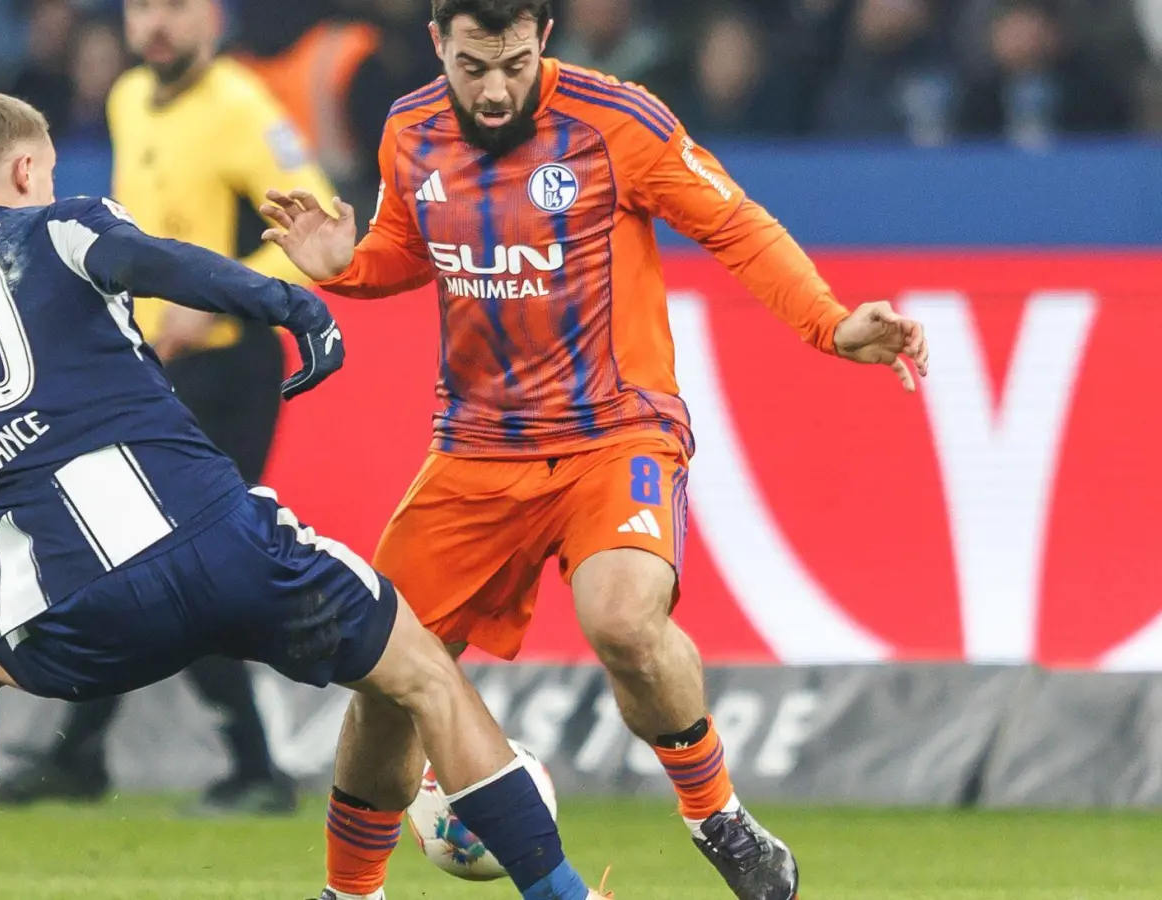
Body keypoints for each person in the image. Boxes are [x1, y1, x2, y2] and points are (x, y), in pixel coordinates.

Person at [0, 90, 608, 900]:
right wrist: (285, 303)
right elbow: (155, 262)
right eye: (47, 171)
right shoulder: (62, 225)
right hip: (219, 548)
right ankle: (559, 894)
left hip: (72, 608)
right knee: (423, 673)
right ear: (27, 168)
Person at [260, 2, 930, 900]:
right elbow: (412, 250)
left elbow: (736, 225)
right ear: (438, 46)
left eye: (513, 63)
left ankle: (716, 816)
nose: (494, 91)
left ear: (544, 39)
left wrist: (832, 321)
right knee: (390, 678)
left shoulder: (621, 121)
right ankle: (350, 892)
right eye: (472, 67)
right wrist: (343, 261)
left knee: (622, 618)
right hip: (475, 448)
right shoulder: (408, 129)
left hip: (615, 432)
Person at [0, 0, 342, 816]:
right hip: (151, 371)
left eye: (177, 6)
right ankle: (91, 756)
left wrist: (219, 300)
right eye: (143, 6)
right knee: (139, 559)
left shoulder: (241, 108)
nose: (157, 21)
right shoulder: (125, 99)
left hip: (231, 369)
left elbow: (326, 233)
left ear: (212, 18)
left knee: (167, 558)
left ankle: (242, 762)